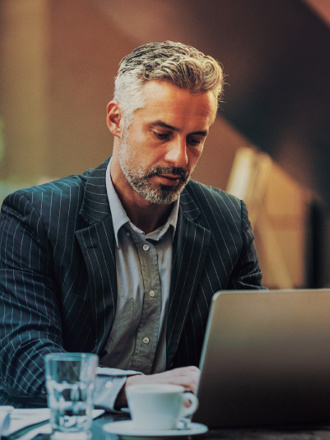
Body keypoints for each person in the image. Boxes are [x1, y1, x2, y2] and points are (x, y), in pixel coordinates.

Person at [0, 41, 264, 410]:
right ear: (116, 119)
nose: (179, 157)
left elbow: (253, 350)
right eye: (162, 134)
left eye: (195, 139)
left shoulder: (228, 221)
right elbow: (23, 359)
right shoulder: (35, 215)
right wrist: (130, 389)